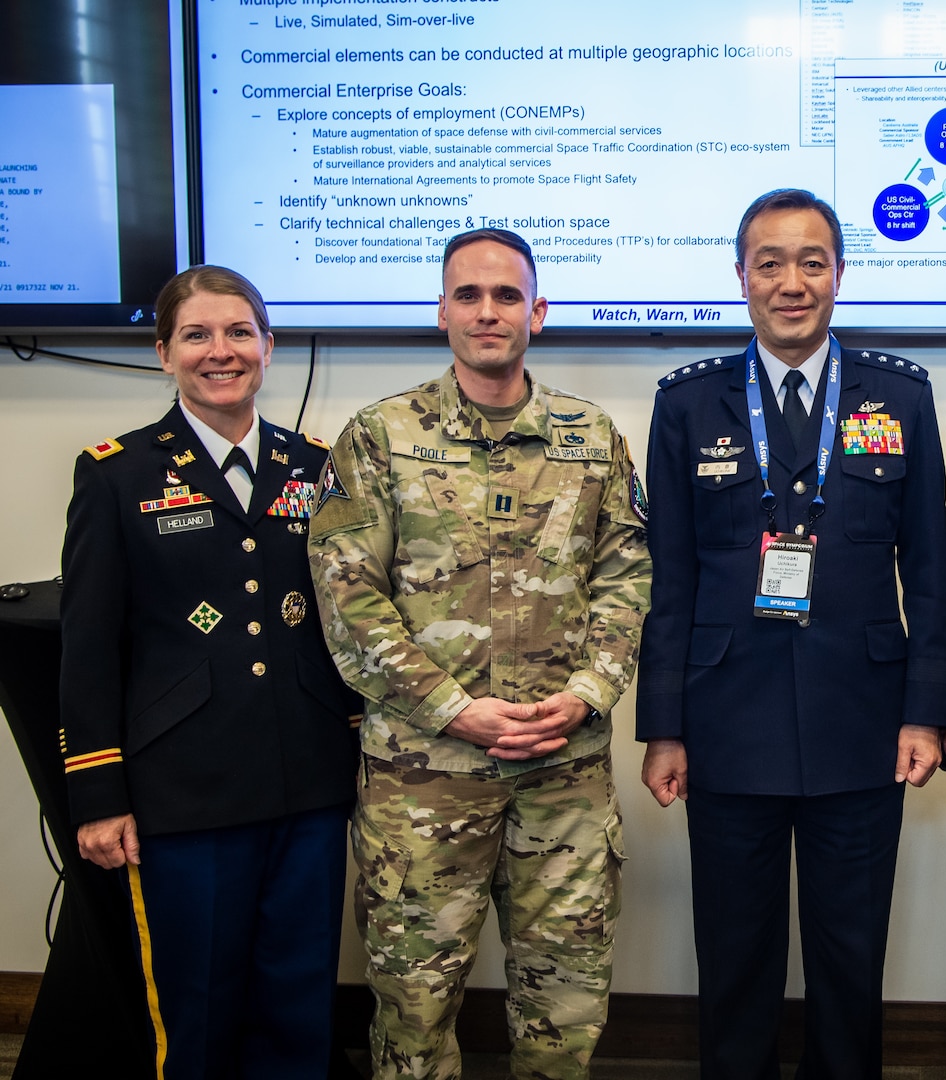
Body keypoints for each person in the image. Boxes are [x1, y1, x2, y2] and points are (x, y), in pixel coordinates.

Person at [307, 228, 651, 1080]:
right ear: (441, 312)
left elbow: (629, 577)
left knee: (564, 1011)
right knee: (414, 1014)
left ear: (537, 311)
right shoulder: (378, 436)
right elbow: (348, 597)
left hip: (561, 772)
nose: (487, 312)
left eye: (506, 296)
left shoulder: (592, 436)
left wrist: (585, 693)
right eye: (468, 295)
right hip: (422, 782)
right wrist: (455, 709)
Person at [636, 188, 946, 1079]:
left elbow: (928, 572)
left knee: (850, 961)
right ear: (740, 277)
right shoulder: (688, 403)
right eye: (769, 263)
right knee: (735, 960)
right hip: (725, 719)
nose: (791, 282)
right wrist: (664, 724)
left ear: (840, 275)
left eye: (811, 262)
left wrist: (925, 712)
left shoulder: (900, 393)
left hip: (862, 720)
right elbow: (671, 577)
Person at [58, 265, 361, 1079]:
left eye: (237, 333)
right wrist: (97, 794)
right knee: (195, 1013)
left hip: (307, 781)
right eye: (196, 335)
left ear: (268, 346)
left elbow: (347, 620)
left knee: (297, 1008)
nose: (219, 352)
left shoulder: (318, 468)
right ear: (164, 353)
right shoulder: (118, 474)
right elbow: (87, 646)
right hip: (184, 794)